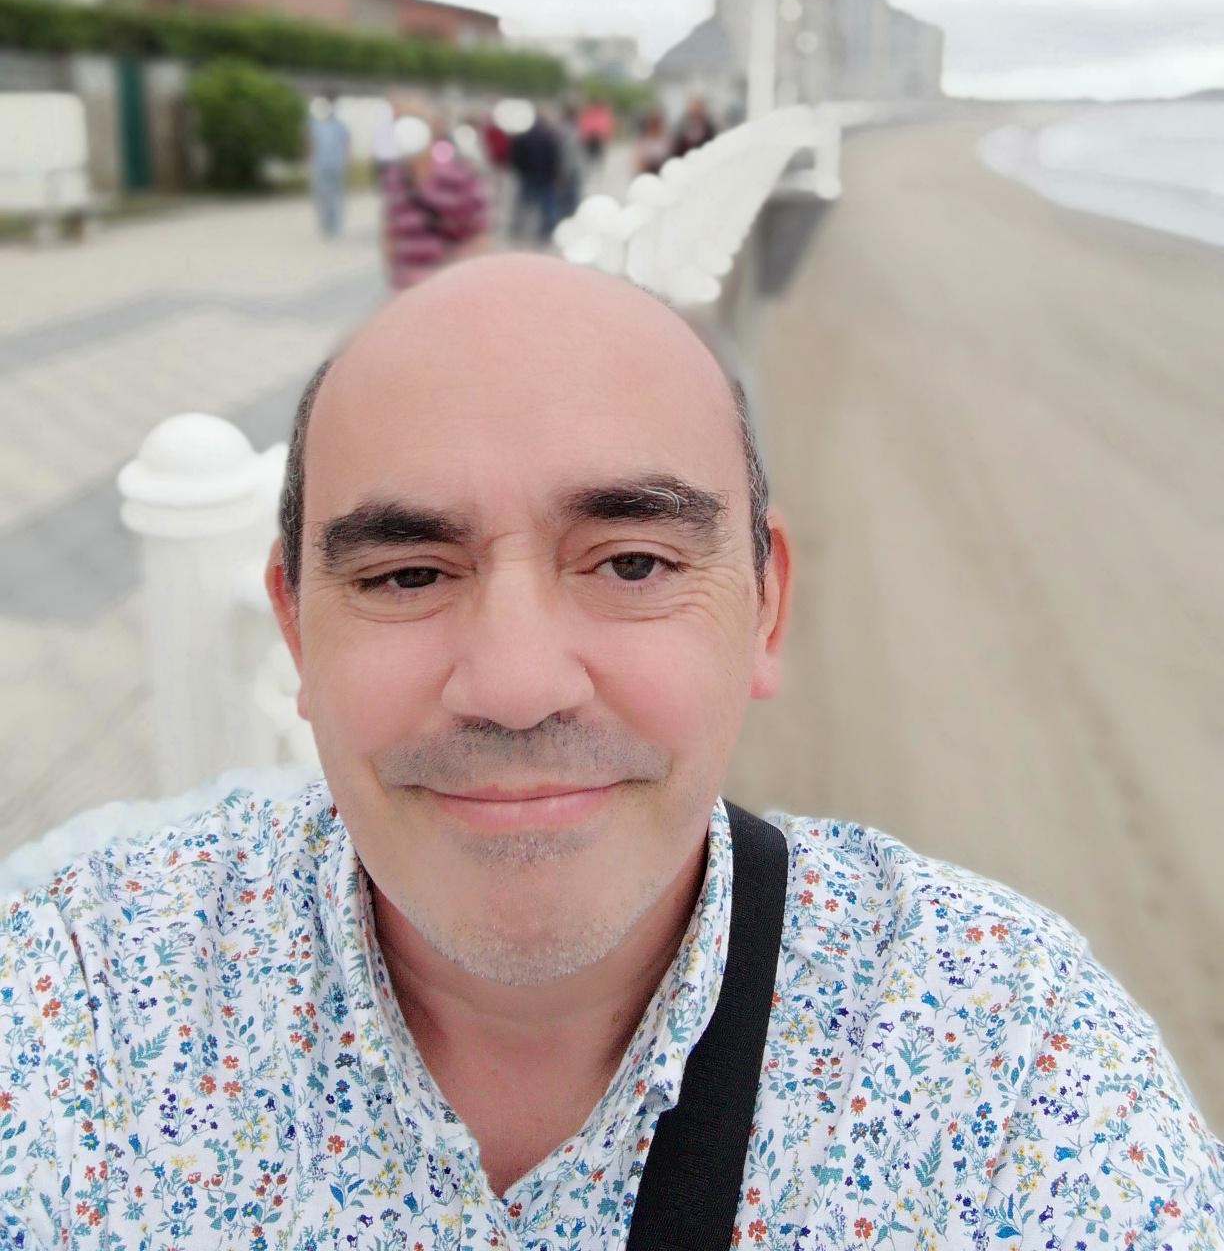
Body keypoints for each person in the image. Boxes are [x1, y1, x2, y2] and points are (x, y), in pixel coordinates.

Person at [2, 256, 1222, 1247]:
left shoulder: (1006, 1058)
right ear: (295, 634)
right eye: (409, 574)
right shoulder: (80, 1008)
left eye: (632, 562)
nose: (516, 686)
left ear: (765, 606)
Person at [380, 117, 490, 289]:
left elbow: (479, 233)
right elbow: (390, 227)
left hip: (446, 280)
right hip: (406, 281)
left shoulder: (460, 175)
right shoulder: (394, 176)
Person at [508, 106, 563, 242]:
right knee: (547, 207)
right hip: (545, 176)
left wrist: (521, 170)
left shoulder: (524, 136)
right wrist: (555, 175)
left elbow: (516, 156)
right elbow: (555, 158)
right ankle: (546, 231)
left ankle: (517, 228)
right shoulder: (550, 137)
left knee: (523, 204)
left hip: (528, 175)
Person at [307, 92, 350, 236]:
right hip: (320, 165)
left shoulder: (341, 126)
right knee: (321, 196)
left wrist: (347, 163)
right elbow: (311, 144)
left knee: (336, 196)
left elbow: (346, 145)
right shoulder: (315, 124)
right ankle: (324, 224)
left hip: (336, 165)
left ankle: (334, 225)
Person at [670, 94, 717, 160]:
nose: (696, 111)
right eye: (694, 108)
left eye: (698, 108)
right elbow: (676, 148)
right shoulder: (681, 126)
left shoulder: (709, 127)